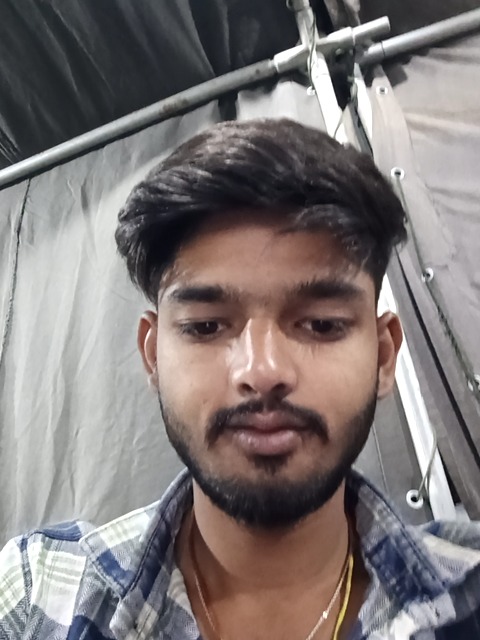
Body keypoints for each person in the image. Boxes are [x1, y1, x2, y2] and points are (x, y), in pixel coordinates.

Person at [1, 119, 479, 640]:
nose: (262, 371)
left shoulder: (468, 591)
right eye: (207, 327)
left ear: (384, 356)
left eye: (321, 324)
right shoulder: (38, 596)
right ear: (153, 356)